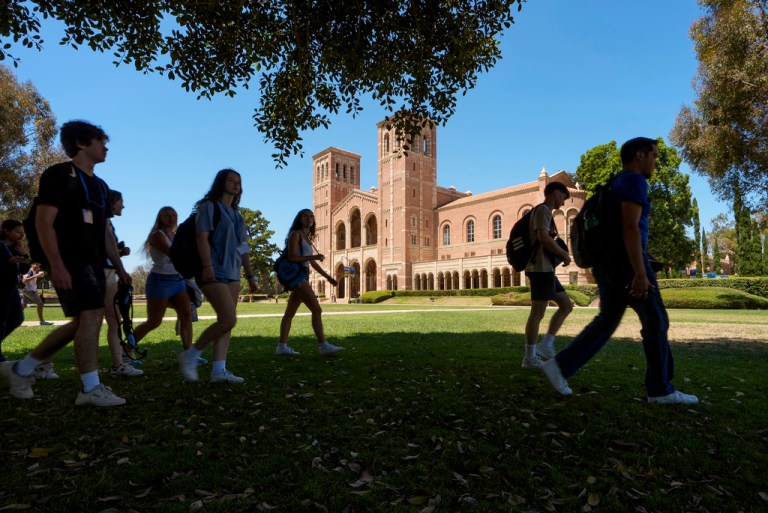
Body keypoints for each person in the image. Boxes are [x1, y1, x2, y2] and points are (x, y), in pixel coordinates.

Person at [540, 137, 699, 405]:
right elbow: (630, 227)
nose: (656, 162)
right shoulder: (634, 181)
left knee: (607, 321)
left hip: (606, 264)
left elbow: (619, 228)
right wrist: (640, 270)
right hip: (626, 265)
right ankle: (661, 389)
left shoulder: (614, 183)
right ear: (640, 155)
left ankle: (560, 366)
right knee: (656, 321)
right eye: (654, 156)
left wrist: (644, 254)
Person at [0, 120, 130, 406]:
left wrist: (120, 268)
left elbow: (105, 232)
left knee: (83, 322)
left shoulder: (101, 186)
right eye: (100, 140)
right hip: (69, 258)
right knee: (92, 316)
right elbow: (43, 222)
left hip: (95, 263)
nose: (105, 146)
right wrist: (56, 264)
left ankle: (21, 370)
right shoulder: (59, 175)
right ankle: (89, 388)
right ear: (81, 144)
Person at [177, 169, 257, 383]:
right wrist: (207, 266)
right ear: (221, 183)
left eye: (239, 181)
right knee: (229, 319)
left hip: (233, 274)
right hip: (213, 271)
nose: (236, 184)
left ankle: (218, 371)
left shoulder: (237, 216)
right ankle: (191, 354)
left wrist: (249, 276)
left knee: (226, 322)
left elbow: (243, 248)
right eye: (231, 180)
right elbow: (202, 238)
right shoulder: (209, 207)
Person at [521, 181, 573, 369]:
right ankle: (529, 357)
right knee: (537, 313)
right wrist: (564, 254)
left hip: (546, 270)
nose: (564, 202)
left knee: (566, 305)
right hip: (539, 269)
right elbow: (543, 237)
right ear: (556, 193)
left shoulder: (546, 212)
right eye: (563, 197)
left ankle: (547, 344)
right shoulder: (543, 210)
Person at [133, 206, 196, 359]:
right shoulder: (157, 236)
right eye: (166, 215)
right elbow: (174, 254)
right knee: (154, 322)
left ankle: (189, 355)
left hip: (177, 280)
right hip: (160, 281)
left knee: (186, 315)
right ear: (160, 218)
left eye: (174, 214)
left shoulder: (176, 236)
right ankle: (126, 349)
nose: (171, 217)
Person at [276, 209, 341, 356]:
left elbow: (313, 263)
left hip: (303, 275)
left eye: (311, 216)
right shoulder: (296, 234)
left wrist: (328, 277)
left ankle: (281, 346)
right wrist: (314, 257)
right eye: (305, 215)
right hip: (297, 276)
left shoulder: (307, 238)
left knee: (290, 312)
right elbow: (292, 257)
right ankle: (323, 345)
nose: (309, 218)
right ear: (299, 219)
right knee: (316, 309)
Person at [102, 190, 143, 378]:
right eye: (121, 202)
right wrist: (121, 268)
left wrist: (119, 252)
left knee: (113, 320)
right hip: (104, 273)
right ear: (112, 202)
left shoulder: (106, 222)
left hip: (108, 273)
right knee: (111, 321)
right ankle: (119, 365)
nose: (123, 206)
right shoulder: (103, 222)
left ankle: (120, 362)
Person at [0, 220, 28, 363]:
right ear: (6, 230)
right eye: (18, 231)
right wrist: (8, 261)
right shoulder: (1, 246)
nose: (21, 235)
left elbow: (24, 270)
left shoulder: (17, 248)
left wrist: (24, 256)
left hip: (12, 288)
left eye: (22, 232)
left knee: (17, 318)